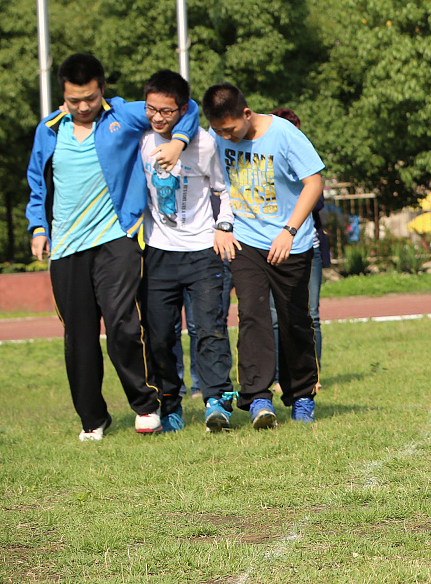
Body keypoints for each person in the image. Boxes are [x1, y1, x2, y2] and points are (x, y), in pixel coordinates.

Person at [25, 53, 198, 441]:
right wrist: (38, 226)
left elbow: (186, 107)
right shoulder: (49, 130)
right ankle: (93, 418)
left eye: (89, 97)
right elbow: (36, 182)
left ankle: (145, 405)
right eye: (74, 100)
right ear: (63, 97)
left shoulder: (124, 115)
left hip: (116, 239)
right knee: (79, 338)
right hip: (66, 248)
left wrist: (179, 142)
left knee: (123, 324)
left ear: (102, 89)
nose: (83, 106)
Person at [202, 83, 325, 427]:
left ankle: (301, 396)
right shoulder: (216, 137)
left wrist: (290, 231)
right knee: (252, 316)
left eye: (230, 129)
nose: (226, 136)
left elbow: (314, 183)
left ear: (245, 113)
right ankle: (258, 398)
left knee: (294, 321)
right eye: (218, 130)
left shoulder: (283, 134)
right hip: (246, 242)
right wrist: (223, 225)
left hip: (289, 243)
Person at [138, 70, 239, 433]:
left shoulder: (206, 144)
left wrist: (223, 227)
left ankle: (217, 400)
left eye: (167, 111)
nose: (158, 117)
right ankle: (170, 405)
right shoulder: (142, 139)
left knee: (209, 329)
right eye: (152, 110)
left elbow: (226, 189)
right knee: (160, 334)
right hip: (158, 253)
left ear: (183, 109)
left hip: (202, 251)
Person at [268, 107, 328, 371]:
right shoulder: (266, 160)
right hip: (270, 248)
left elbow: (318, 200)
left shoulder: (305, 160)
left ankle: (311, 374)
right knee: (275, 317)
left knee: (310, 315)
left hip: (307, 248)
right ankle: (280, 376)